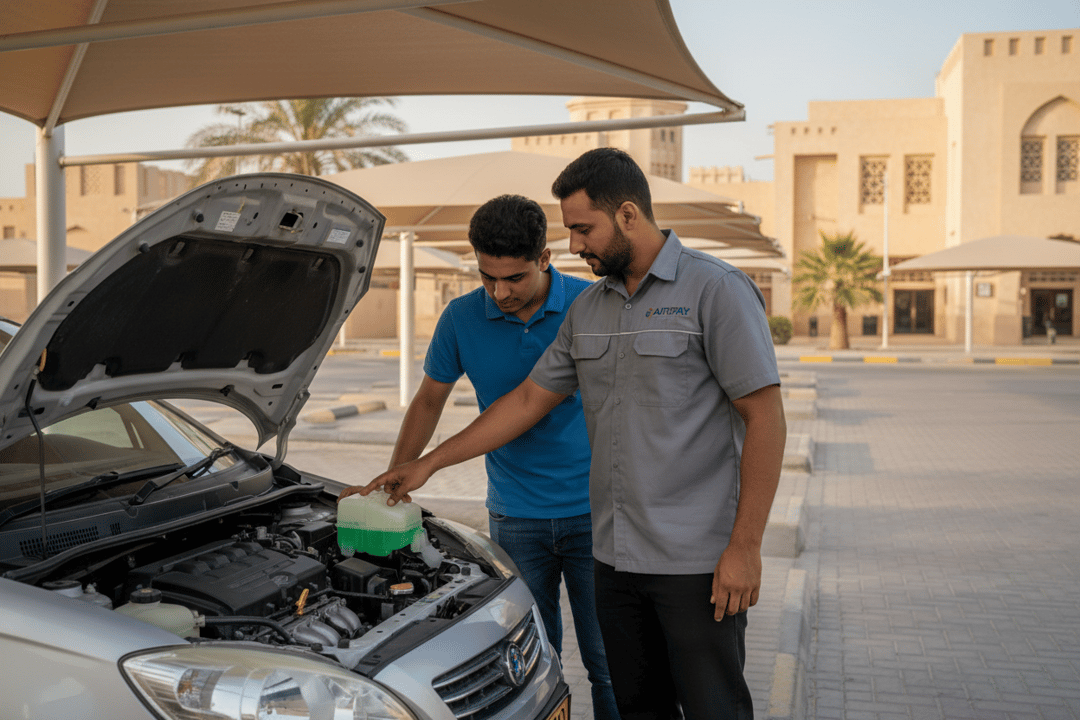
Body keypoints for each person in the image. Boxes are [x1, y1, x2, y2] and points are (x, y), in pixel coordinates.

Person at [341, 149, 786, 720]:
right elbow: (527, 401)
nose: (575, 245)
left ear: (627, 215)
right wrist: (425, 465)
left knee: (711, 706)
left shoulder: (716, 290)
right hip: (614, 558)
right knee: (634, 704)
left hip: (694, 561)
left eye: (582, 228)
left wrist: (745, 548)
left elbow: (765, 417)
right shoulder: (592, 311)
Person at [375, 194, 618, 720]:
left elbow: (539, 402)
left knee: (610, 664)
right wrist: (401, 473)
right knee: (529, 660)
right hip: (515, 516)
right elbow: (429, 399)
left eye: (514, 279)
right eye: (488, 277)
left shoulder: (590, 305)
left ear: (545, 258)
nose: (499, 292)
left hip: (595, 513)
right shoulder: (462, 318)